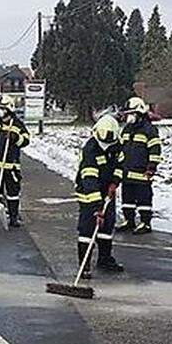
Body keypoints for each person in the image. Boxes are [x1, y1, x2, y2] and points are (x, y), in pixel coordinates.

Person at [75, 115, 125, 274]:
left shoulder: (117, 145)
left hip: (107, 191)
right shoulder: (90, 149)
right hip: (89, 193)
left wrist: (115, 182)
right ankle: (84, 266)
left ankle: (104, 259)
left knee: (107, 225)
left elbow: (120, 165)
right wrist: (97, 208)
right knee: (88, 228)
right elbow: (90, 180)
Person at [0, 95, 30, 227]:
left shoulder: (16, 124)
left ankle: (13, 217)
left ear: (9, 108)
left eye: (2, 108)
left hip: (11, 165)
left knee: (13, 193)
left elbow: (26, 140)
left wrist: (15, 137)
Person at [119, 96, 162, 234]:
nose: (128, 117)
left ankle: (145, 223)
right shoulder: (127, 130)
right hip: (126, 172)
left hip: (142, 173)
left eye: (130, 114)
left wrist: (151, 168)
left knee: (144, 199)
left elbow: (155, 150)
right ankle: (129, 221)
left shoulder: (149, 130)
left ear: (139, 113)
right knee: (127, 199)